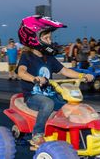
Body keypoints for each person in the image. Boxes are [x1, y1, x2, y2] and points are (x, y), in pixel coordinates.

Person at [16, 16, 94, 147]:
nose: (50, 41)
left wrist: (82, 75)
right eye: (46, 38)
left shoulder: (49, 58)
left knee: (69, 105)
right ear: (34, 39)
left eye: (50, 38)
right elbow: (21, 72)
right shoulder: (27, 56)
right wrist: (34, 78)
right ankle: (37, 134)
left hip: (50, 93)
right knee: (47, 104)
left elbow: (65, 70)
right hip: (33, 97)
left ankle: (67, 134)